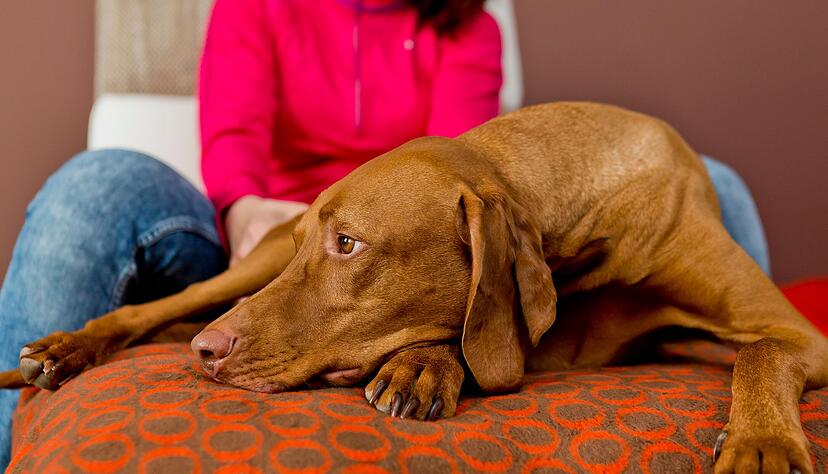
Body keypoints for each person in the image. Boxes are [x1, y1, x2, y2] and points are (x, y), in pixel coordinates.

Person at [0, 0, 768, 468]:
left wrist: (430, 342)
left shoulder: (465, 26)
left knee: (717, 182)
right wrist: (248, 212)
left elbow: (455, 196)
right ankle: (10, 433)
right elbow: (234, 137)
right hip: (262, 220)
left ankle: (733, 341)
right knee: (94, 182)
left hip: (390, 257)